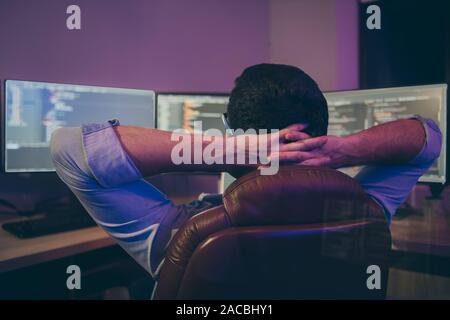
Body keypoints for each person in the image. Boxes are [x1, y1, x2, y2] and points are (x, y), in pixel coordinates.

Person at [50, 63, 441, 289]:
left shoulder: (183, 230)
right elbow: (428, 136)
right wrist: (340, 150)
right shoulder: (362, 208)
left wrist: (233, 149)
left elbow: (70, 149)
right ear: (324, 129)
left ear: (229, 130)